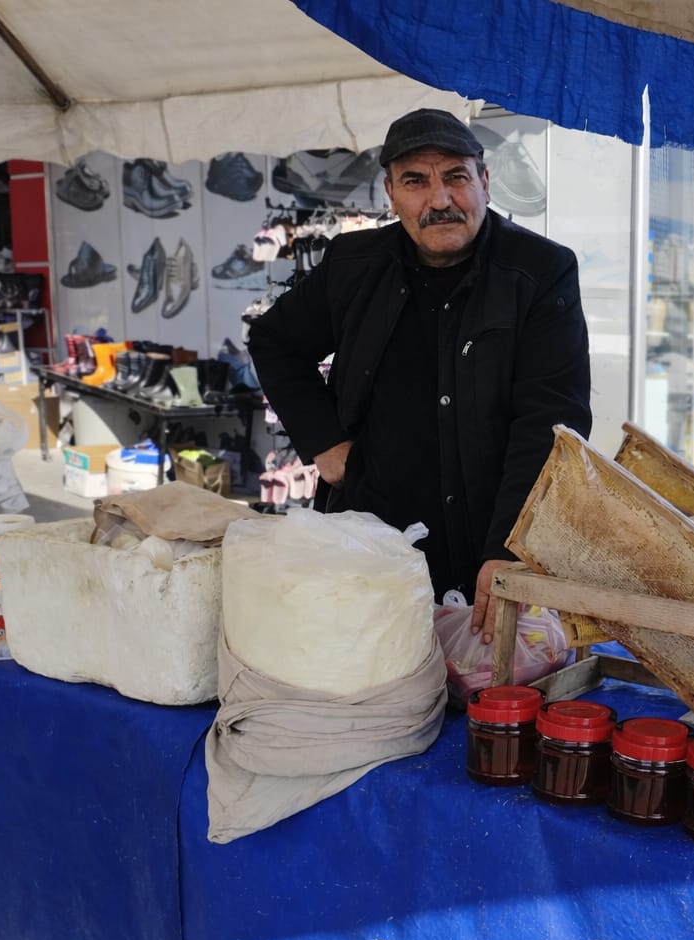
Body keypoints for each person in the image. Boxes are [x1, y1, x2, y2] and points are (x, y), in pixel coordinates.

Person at [248, 109, 592, 644]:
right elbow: (273, 341)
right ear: (390, 193)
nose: (439, 200)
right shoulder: (352, 264)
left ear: (484, 180)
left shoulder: (539, 272)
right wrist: (323, 441)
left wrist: (511, 548)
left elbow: (552, 421)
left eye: (455, 176)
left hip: (488, 543)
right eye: (416, 181)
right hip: (376, 542)